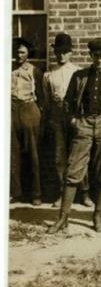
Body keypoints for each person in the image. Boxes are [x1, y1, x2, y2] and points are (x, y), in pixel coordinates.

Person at [50, 37, 101, 234]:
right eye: (95, 55)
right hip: (84, 124)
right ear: (90, 55)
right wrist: (74, 121)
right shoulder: (79, 76)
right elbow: (67, 104)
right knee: (73, 170)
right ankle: (63, 217)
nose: (99, 59)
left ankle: (97, 216)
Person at [42, 33, 77, 204]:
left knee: (77, 153)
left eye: (65, 52)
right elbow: (47, 100)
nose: (61, 55)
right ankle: (62, 192)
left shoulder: (78, 72)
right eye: (58, 52)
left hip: (74, 114)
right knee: (59, 155)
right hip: (57, 115)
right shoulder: (49, 75)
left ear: (71, 53)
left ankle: (82, 193)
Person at [10, 37, 43, 205]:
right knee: (13, 151)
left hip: (29, 108)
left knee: (33, 152)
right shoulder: (8, 69)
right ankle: (16, 192)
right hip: (12, 109)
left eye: (22, 52)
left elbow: (42, 96)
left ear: (28, 54)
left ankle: (36, 193)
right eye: (17, 52)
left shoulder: (34, 70)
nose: (18, 55)